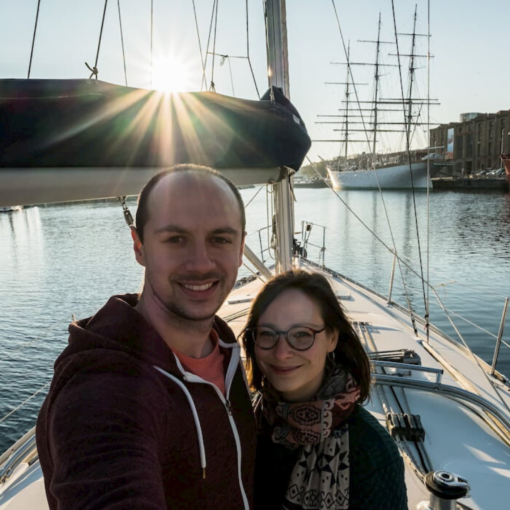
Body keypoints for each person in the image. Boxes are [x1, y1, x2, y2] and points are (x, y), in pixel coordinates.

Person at [36, 165, 256, 509]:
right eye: (175, 239)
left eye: (220, 239)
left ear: (241, 247)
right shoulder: (103, 388)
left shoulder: (225, 344)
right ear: (139, 246)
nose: (200, 263)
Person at [241, 270, 407, 510]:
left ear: (332, 337)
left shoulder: (372, 453)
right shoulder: (243, 424)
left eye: (301, 334)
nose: (281, 353)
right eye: (267, 334)